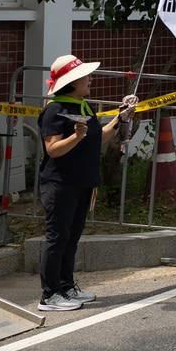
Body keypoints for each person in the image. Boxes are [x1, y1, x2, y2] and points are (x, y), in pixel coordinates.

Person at [36, 55, 137, 312]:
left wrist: (120, 118)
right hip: (60, 184)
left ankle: (66, 286)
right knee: (57, 237)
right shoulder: (54, 110)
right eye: (86, 76)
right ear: (72, 82)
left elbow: (98, 137)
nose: (90, 79)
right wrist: (76, 137)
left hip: (82, 182)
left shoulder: (84, 106)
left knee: (71, 237)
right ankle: (49, 295)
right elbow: (53, 150)